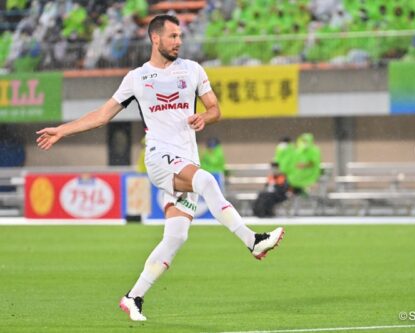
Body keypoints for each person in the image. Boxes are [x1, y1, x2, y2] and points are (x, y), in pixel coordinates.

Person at [36, 14, 285, 322]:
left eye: (180, 36)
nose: (179, 41)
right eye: (173, 36)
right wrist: (62, 130)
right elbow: (102, 115)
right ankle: (253, 240)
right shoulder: (137, 78)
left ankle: (133, 297)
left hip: (185, 160)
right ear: (156, 39)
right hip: (158, 157)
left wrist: (204, 118)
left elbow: (215, 108)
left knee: (177, 236)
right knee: (206, 181)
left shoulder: (192, 70)